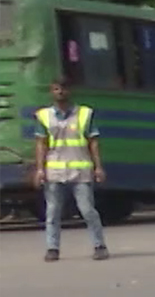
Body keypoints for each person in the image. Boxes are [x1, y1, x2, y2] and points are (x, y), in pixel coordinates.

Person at [32, 80, 109, 262]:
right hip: (54, 171)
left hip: (80, 170)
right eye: (56, 89)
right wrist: (39, 169)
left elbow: (93, 142)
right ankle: (52, 248)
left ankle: (100, 245)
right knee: (52, 212)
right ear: (51, 92)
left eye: (63, 88)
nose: (60, 92)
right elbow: (41, 144)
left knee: (87, 210)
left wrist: (98, 167)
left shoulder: (84, 114)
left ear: (70, 91)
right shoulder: (44, 116)